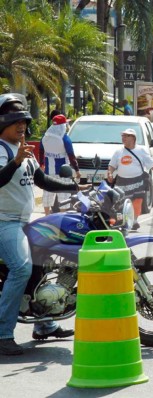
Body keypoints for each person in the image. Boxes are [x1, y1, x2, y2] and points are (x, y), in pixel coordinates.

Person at [0, 93, 87, 356]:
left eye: (23, 120)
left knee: (43, 263)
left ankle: (44, 325)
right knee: (22, 268)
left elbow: (43, 181)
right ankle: (3, 333)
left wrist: (76, 185)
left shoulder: (24, 150)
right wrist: (15, 162)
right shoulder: (4, 151)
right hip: (5, 223)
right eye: (15, 121)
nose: (22, 125)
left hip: (25, 220)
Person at [107, 128, 153, 230]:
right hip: (122, 181)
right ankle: (124, 221)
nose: (123, 138)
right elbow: (112, 165)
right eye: (122, 136)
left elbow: (151, 164)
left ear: (133, 138)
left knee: (137, 201)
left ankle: (134, 220)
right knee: (122, 202)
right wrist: (110, 173)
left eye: (126, 136)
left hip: (138, 180)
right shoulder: (118, 152)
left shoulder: (140, 151)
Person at [39, 114, 81, 215]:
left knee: (47, 196)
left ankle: (46, 217)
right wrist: (77, 170)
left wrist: (42, 164)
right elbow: (71, 156)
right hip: (63, 172)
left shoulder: (45, 137)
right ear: (62, 126)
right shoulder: (64, 138)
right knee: (63, 197)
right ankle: (61, 219)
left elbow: (41, 151)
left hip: (49, 172)